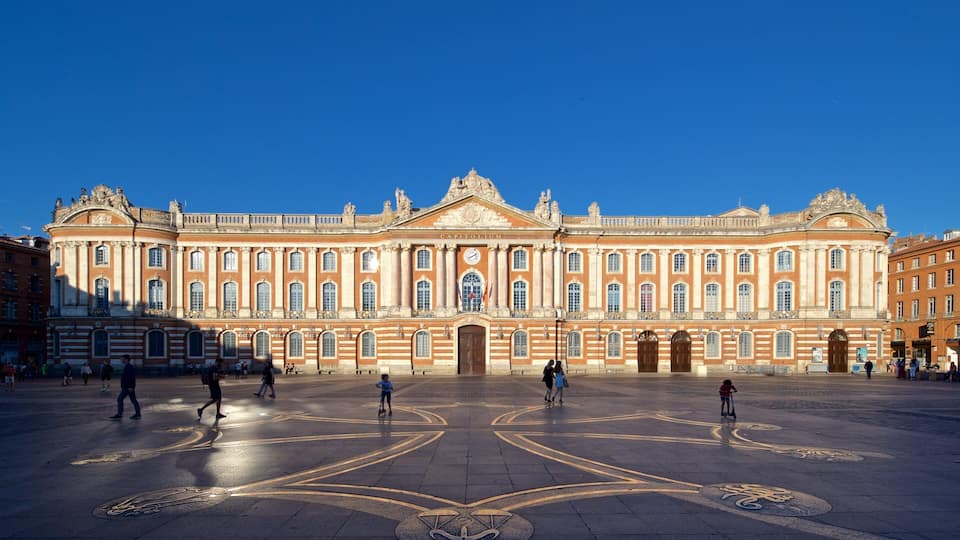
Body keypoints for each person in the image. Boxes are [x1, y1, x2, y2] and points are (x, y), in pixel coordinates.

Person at [110, 355, 141, 419]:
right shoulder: (127, 366)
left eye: (122, 359)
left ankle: (119, 414)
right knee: (133, 400)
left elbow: (132, 378)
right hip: (127, 387)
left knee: (120, 399)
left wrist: (131, 387)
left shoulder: (130, 367)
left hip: (127, 387)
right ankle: (138, 414)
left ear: (126, 359)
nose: (121, 360)